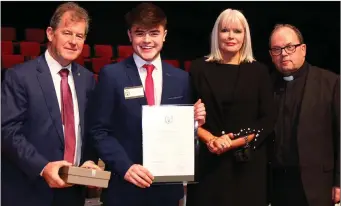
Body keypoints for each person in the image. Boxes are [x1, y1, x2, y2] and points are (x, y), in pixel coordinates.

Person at [87, 3, 206, 206]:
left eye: (154, 33)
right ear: (129, 35)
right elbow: (99, 131)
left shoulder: (181, 79)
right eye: (140, 33)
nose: (147, 40)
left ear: (164, 35)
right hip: (124, 190)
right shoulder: (112, 76)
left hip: (167, 193)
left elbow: (181, 135)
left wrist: (194, 124)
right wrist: (125, 167)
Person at [1, 2, 101, 206]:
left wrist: (89, 159)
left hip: (73, 191)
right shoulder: (19, 76)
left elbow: (90, 128)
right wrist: (43, 166)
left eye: (79, 36)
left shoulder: (88, 79)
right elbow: (7, 131)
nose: (73, 41)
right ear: (50, 33)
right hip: (29, 190)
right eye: (67, 32)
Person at [185, 8, 276, 206]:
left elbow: (267, 120)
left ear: (246, 35)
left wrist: (232, 142)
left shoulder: (259, 71)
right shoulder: (199, 68)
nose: (230, 36)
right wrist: (212, 140)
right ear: (216, 33)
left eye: (237, 31)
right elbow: (185, 114)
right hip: (208, 165)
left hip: (247, 166)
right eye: (225, 30)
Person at [268, 24, 340, 206]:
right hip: (276, 186)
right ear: (271, 55)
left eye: (290, 47)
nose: (284, 54)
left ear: (303, 49)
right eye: (277, 49)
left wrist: (339, 182)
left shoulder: (330, 83)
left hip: (317, 185)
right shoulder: (266, 85)